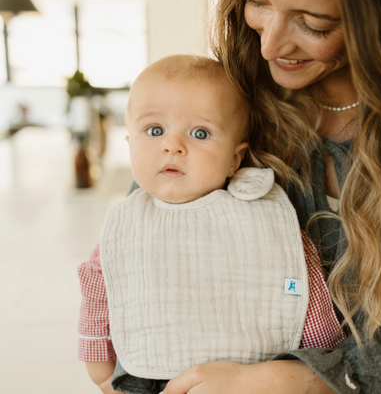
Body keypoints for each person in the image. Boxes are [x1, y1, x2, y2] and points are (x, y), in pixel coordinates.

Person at [152, 0, 381, 393]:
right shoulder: (219, 103)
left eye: (314, 25)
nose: (269, 47)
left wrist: (298, 379)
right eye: (257, 1)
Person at [78, 55, 345, 394]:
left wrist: (322, 352)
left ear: (235, 158)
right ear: (130, 144)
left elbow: (301, 281)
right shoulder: (129, 224)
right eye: (155, 130)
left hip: (252, 374)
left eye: (200, 132)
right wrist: (101, 368)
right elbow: (101, 288)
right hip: (148, 378)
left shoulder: (264, 217)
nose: (172, 145)